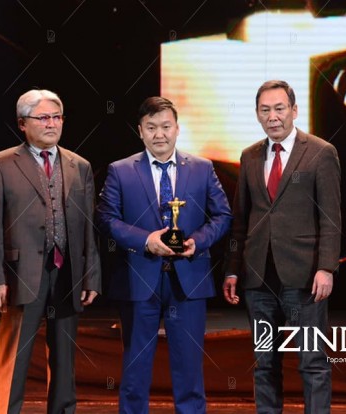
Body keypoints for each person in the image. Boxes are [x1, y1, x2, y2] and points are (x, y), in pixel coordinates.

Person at [96, 96, 232, 414]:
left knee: (189, 368)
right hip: (137, 278)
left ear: (177, 129)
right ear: (140, 131)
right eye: (151, 127)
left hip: (189, 279)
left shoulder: (202, 168)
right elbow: (105, 218)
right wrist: (146, 240)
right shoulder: (120, 171)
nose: (159, 134)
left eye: (166, 126)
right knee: (135, 367)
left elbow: (223, 215)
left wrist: (197, 241)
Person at [0, 89, 101, 414]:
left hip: (68, 272)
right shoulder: (2, 163)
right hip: (21, 274)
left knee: (64, 359)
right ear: (23, 123)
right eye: (43, 117)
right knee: (15, 358)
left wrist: (91, 276)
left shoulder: (79, 165)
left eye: (56, 117)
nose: (51, 124)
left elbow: (88, 227)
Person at [223, 80, 341, 413]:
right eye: (265, 110)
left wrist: (326, 267)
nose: (272, 116)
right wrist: (232, 269)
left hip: (305, 278)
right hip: (258, 279)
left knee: (312, 361)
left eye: (279, 108)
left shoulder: (321, 152)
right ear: (257, 114)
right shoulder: (249, 156)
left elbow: (331, 218)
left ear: (294, 110)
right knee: (264, 363)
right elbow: (240, 220)